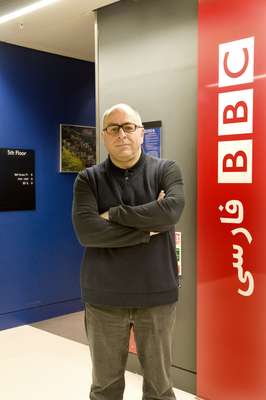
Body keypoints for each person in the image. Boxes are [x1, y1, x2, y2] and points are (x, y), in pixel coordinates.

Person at [72, 103, 185, 400]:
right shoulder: (88, 180)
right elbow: (87, 232)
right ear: (104, 137)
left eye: (128, 127)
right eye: (113, 128)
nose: (121, 134)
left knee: (160, 389)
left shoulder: (166, 170)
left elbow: (171, 211)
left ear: (141, 133)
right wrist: (147, 229)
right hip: (103, 298)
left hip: (156, 295)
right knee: (105, 388)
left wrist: (115, 215)